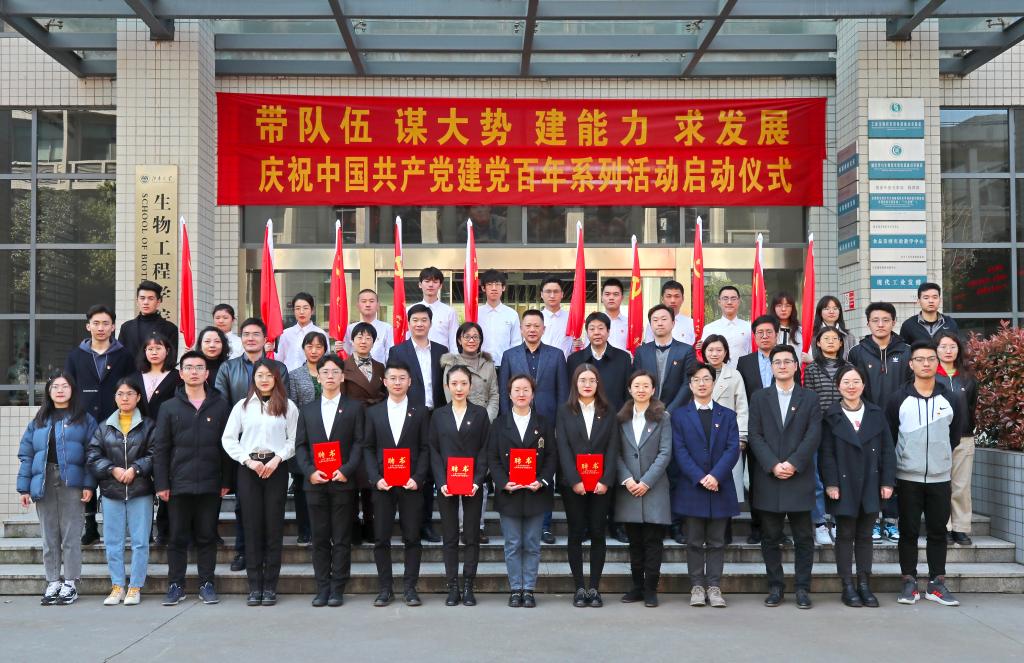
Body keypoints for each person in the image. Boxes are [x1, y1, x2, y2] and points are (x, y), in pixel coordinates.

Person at [153, 351, 233, 607]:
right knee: (177, 537)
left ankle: (207, 583)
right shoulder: (169, 407)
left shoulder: (220, 406)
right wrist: (161, 483)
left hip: (210, 483)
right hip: (178, 484)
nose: (194, 372)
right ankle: (175, 585)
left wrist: (226, 480)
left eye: (199, 367)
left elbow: (227, 446)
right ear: (181, 373)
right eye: (189, 367)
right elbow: (161, 448)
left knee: (207, 536)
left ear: (207, 373)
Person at [889, 341, 964, 607]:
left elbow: (954, 436)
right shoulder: (899, 398)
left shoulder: (951, 398)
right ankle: (909, 581)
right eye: (919, 359)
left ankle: (936, 583)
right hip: (907, 476)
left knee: (937, 531)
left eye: (931, 359)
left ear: (937, 362)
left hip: (940, 477)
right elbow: (890, 436)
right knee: (908, 531)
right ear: (911, 364)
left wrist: (939, 459)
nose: (926, 364)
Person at [748, 345, 822, 609]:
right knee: (770, 537)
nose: (782, 366)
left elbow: (813, 434)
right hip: (769, 477)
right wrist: (772, 464)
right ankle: (775, 586)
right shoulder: (759, 397)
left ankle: (802, 588)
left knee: (803, 538)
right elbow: (754, 434)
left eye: (787, 361)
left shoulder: (809, 398)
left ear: (796, 365)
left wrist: (793, 463)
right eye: (777, 362)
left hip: (798, 476)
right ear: (771, 367)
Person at [17, 371, 98, 606]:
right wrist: (24, 488)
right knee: (49, 535)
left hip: (72, 481)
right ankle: (53, 581)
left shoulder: (84, 419)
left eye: (65, 386)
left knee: (71, 535)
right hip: (44, 481)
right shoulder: (39, 420)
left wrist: (89, 484)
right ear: (49, 392)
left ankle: (70, 583)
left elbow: (92, 454)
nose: (60, 390)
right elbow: (27, 454)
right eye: (55, 387)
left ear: (73, 390)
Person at [215, 317, 290, 571]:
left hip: (272, 448)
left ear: (265, 339)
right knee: (243, 506)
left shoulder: (279, 368)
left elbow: (284, 403)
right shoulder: (228, 368)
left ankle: (267, 557)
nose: (250, 338)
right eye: (246, 334)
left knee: (270, 511)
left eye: (256, 334)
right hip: (241, 446)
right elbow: (222, 404)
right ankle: (243, 552)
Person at [222, 359, 298, 606]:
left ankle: (270, 587)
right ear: (253, 379)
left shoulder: (287, 406)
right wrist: (247, 460)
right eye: (259, 375)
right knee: (252, 527)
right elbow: (229, 439)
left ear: (276, 378)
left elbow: (294, 440)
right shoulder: (242, 407)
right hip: (249, 469)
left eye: (269, 375)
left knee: (273, 528)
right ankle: (255, 586)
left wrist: (278, 458)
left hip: (276, 467)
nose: (264, 380)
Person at [820, 365, 896, 608]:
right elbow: (826, 453)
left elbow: (888, 449)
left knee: (865, 536)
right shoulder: (831, 415)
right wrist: (831, 482)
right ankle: (847, 585)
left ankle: (864, 583)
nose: (851, 386)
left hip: (871, 482)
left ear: (863, 385)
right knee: (844, 535)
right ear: (838, 386)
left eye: (856, 381)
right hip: (843, 485)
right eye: (846, 382)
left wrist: (887, 481)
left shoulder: (875, 413)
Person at [293, 353, 365, 607]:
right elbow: (300, 445)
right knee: (320, 538)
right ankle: (322, 587)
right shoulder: (307, 410)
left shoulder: (354, 408)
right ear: (319, 377)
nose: (330, 376)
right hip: (315, 483)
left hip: (343, 482)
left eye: (335, 372)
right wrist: (309, 471)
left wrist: (347, 469)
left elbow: (360, 443)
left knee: (342, 538)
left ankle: (338, 588)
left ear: (342, 377)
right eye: (325, 372)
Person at [671, 363, 741, 609]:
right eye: (696, 380)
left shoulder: (727, 415)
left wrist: (715, 476)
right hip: (692, 486)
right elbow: (679, 451)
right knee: (693, 541)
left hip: (719, 486)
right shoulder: (679, 415)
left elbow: (733, 449)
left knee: (717, 541)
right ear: (690, 385)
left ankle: (714, 586)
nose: (701, 384)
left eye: (706, 379)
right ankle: (697, 587)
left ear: (714, 383)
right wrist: (700, 477)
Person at [363, 361, 431, 607]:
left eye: (402, 378)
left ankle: (410, 588)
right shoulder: (374, 413)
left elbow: (425, 448)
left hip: (411, 484)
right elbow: (368, 448)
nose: (397, 382)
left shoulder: (420, 412)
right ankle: (385, 589)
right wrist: (375, 478)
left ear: (410, 382)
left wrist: (418, 478)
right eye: (392, 378)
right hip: (384, 485)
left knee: (412, 538)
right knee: (381, 538)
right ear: (385, 381)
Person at [65, 304, 134, 545]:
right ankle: (91, 526)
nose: (101, 328)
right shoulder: (76, 356)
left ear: (113, 327)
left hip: (116, 421)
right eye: (96, 323)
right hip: (83, 421)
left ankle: (119, 526)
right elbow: (69, 388)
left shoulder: (124, 356)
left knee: (116, 472)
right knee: (86, 473)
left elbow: (130, 387)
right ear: (88, 326)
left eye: (106, 323)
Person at [499, 309, 568, 544]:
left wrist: (559, 426)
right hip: (516, 423)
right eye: (527, 325)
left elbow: (562, 393)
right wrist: (505, 424)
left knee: (545, 471)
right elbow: (504, 392)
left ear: (543, 329)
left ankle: (544, 526)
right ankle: (518, 522)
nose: (532, 330)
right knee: (517, 470)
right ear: (521, 329)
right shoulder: (509, 356)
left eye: (536, 326)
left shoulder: (556, 355)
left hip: (546, 423)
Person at [488, 374, 557, 609]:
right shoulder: (499, 424)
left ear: (533, 394)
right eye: (516, 389)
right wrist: (502, 481)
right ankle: (515, 588)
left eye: (526, 389)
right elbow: (493, 457)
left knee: (532, 544)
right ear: (509, 394)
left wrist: (542, 480)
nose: (521, 394)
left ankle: (529, 589)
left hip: (536, 492)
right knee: (513, 543)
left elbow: (551, 456)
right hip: (510, 492)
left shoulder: (544, 423)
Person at [86, 377, 155, 606]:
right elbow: (93, 456)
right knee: (113, 542)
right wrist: (112, 469)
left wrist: (135, 469)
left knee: (140, 541)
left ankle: (135, 586)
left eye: (130, 394)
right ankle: (117, 586)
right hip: (111, 491)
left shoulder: (148, 425)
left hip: (140, 490)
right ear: (115, 398)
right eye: (120, 394)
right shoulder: (103, 427)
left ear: (138, 397)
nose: (125, 398)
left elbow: (155, 453)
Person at [557, 364, 620, 608]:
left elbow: (613, 447)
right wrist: (575, 480)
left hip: (601, 484)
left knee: (597, 532)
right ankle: (579, 588)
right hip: (573, 485)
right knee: (575, 533)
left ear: (598, 383)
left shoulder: (608, 410)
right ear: (575, 383)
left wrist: (606, 480)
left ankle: (594, 587)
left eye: (592, 380)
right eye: (582, 380)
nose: (587, 384)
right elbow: (563, 447)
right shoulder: (565, 411)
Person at [428, 365, 491, 606]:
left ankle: (468, 585)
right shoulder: (439, 415)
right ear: (447, 386)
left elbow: (485, 449)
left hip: (472, 483)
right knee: (450, 536)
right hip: (447, 484)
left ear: (470, 386)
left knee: (472, 535)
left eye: (463, 383)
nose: (459, 388)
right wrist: (441, 481)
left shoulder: (480, 414)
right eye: (454, 383)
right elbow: (434, 449)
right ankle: (452, 585)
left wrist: (477, 480)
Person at [848, 302, 910, 542]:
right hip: (867, 421)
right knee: (870, 471)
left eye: (886, 320)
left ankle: (892, 521)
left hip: (900, 422)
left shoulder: (906, 351)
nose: (881, 324)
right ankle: (872, 520)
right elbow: (852, 386)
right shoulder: (857, 352)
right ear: (868, 323)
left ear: (894, 322)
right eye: (875, 320)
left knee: (893, 471)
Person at [389, 303, 447, 543]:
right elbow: (394, 383)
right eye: (415, 320)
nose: (420, 324)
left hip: (436, 416)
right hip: (410, 416)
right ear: (408, 323)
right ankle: (409, 526)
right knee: (411, 469)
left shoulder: (442, 351)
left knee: (430, 471)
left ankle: (426, 524)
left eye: (424, 320)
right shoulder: (397, 351)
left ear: (430, 323)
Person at [615, 370, 672, 607]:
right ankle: (637, 587)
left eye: (646, 385)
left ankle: (651, 590)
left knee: (653, 542)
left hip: (654, 488)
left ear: (653, 390)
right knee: (634, 543)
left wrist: (646, 481)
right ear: (629, 389)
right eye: (636, 385)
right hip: (628, 489)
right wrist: (627, 479)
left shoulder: (663, 417)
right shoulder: (621, 418)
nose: (641, 389)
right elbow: (615, 453)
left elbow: (665, 453)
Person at [440, 322, 499, 543]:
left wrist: (485, 419)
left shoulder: (488, 364)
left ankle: (477, 527)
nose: (471, 340)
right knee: (458, 474)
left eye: (476, 336)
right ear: (459, 339)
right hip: (457, 426)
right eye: (467, 336)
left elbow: (494, 395)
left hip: (483, 425)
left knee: (479, 477)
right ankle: (459, 527)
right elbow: (450, 395)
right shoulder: (451, 363)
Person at [803, 326, 851, 545]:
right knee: (817, 476)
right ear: (818, 343)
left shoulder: (849, 368)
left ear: (841, 343)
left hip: (843, 426)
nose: (831, 341)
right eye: (826, 338)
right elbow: (809, 398)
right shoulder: (812, 369)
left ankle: (839, 520)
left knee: (842, 474)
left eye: (835, 338)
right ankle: (820, 523)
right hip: (819, 427)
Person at [340, 322, 386, 545]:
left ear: (374, 342)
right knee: (352, 478)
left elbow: (385, 394)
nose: (363, 341)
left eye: (368, 337)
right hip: (353, 426)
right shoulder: (343, 366)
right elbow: (340, 399)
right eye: (359, 337)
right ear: (352, 340)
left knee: (371, 476)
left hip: (375, 425)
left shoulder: (380, 367)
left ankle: (371, 522)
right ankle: (353, 524)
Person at [702, 334, 748, 541]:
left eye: (719, 350)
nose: (714, 354)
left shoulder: (734, 375)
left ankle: (725, 532)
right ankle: (705, 531)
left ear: (726, 352)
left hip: (728, 439)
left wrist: (741, 437)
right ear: (704, 352)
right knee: (705, 483)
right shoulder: (698, 373)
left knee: (725, 484)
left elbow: (742, 407)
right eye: (710, 350)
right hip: (702, 437)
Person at [287, 331, 330, 546]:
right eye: (310, 346)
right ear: (303, 349)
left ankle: (325, 530)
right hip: (303, 436)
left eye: (319, 346)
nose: (314, 351)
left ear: (325, 350)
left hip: (329, 437)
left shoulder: (331, 372)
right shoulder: (294, 375)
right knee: (302, 484)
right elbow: (292, 407)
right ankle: (305, 529)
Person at [936, 331, 978, 546]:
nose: (948, 351)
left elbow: (972, 406)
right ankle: (942, 527)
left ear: (958, 350)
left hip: (963, 437)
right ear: (935, 349)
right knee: (940, 486)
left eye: (952, 346)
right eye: (943, 346)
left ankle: (960, 528)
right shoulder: (930, 376)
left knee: (961, 486)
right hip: (937, 439)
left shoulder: (968, 377)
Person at [633, 304, 697, 413]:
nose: (660, 323)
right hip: (647, 411)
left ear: (673, 323)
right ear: (651, 325)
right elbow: (636, 381)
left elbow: (688, 383)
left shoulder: (686, 350)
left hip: (677, 412)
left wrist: (669, 411)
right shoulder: (641, 351)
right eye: (655, 320)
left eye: (664, 319)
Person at [569, 312, 632, 414]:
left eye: (601, 328)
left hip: (615, 417)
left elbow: (628, 392)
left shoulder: (623, 358)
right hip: (584, 417)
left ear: (608, 331)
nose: (596, 332)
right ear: (587, 332)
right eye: (592, 329)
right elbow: (571, 393)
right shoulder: (574, 359)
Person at [118, 280, 179, 361]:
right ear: (137, 301)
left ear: (158, 302)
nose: (146, 302)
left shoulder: (170, 329)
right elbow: (120, 357)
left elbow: (171, 359)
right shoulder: (126, 327)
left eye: (151, 298)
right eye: (142, 298)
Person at [477, 269, 522, 366]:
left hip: (505, 365)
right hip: (480, 366)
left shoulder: (512, 314)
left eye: (497, 284)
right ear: (483, 288)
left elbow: (516, 344)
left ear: (503, 287)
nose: (494, 288)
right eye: (489, 284)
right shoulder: (476, 313)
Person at [276, 292, 328, 372]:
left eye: (305, 308)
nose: (301, 312)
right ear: (293, 311)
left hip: (311, 376)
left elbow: (326, 359)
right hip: (288, 376)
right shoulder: (286, 333)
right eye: (297, 308)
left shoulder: (320, 333)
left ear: (312, 310)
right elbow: (280, 359)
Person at [134, 334, 181, 422]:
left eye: (158, 348)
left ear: (167, 351)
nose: (154, 352)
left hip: (167, 425)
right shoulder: (135, 377)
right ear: (145, 351)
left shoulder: (178, 377)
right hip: (140, 427)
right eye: (150, 349)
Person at [701, 286, 750, 367]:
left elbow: (752, 352)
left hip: (743, 372)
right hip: (716, 373)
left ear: (739, 302)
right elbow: (705, 355)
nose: (729, 302)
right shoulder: (709, 328)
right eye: (725, 298)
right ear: (719, 302)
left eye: (733, 298)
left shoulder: (748, 327)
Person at [342, 289, 394, 364]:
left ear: (378, 305)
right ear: (358, 305)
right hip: (354, 370)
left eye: (371, 301)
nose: (368, 304)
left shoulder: (387, 328)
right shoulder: (350, 329)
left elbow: (389, 354)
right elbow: (347, 352)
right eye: (364, 301)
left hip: (380, 370)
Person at [413, 266, 459, 351]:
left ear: (440, 285)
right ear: (420, 284)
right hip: (415, 356)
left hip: (442, 358)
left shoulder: (449, 312)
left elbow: (454, 341)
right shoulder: (410, 310)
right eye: (427, 281)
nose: (431, 285)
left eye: (435, 282)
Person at [802, 295, 853, 363]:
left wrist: (812, 361)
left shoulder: (848, 336)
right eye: (827, 308)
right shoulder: (811, 335)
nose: (831, 311)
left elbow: (853, 360)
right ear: (820, 312)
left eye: (835, 308)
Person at [643, 280, 696, 345]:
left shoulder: (691, 324)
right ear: (662, 299)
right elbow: (649, 346)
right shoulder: (654, 323)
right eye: (669, 296)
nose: (673, 300)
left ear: (683, 299)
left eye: (676, 296)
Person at [539, 276, 574, 357]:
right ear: (542, 294)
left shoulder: (570, 318)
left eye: (556, 291)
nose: (552, 295)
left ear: (562, 294)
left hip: (565, 363)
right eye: (548, 291)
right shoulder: (536, 318)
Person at [597, 277, 631, 351]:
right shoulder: (595, 323)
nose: (611, 298)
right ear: (602, 297)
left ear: (622, 298)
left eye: (615, 294)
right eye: (607, 294)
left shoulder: (629, 324)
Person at [194, 326, 230, 392]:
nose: (212, 345)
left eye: (217, 341)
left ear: (223, 345)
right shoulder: (193, 369)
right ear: (200, 345)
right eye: (207, 341)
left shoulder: (230, 368)